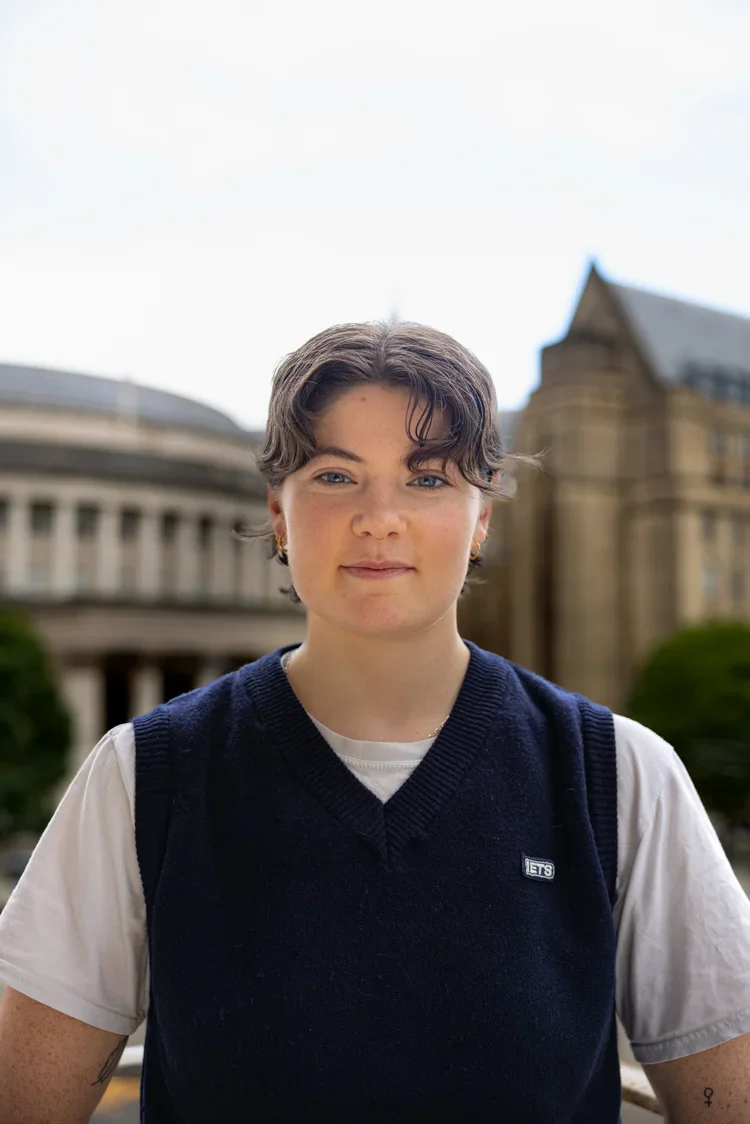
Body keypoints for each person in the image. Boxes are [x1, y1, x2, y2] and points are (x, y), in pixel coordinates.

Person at [0, 321, 749, 1124]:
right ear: (279, 514)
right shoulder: (143, 774)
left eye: (427, 480)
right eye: (334, 476)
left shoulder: (623, 774)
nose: (379, 517)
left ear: (484, 515)